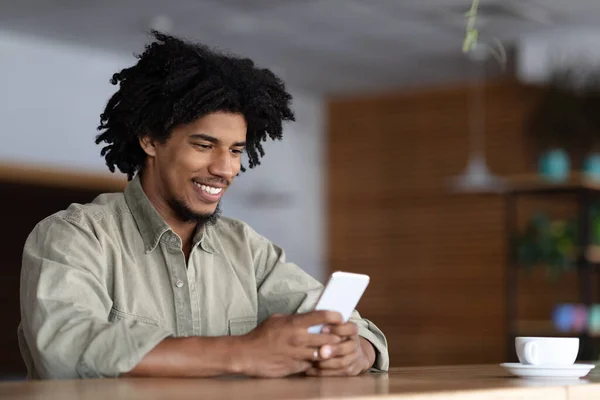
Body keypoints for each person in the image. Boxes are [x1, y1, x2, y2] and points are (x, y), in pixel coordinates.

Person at [17, 31, 389, 380]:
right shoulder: (74, 236)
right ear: (150, 139)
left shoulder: (246, 249)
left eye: (235, 151)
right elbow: (65, 350)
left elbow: (344, 323)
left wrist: (358, 350)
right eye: (204, 145)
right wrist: (243, 352)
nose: (225, 169)